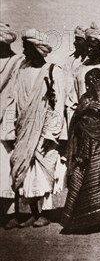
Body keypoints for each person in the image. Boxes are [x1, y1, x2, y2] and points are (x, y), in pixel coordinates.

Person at [9, 29, 66, 228]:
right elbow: (16, 101)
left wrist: (53, 133)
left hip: (45, 128)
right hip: (25, 127)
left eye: (27, 48)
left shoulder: (54, 71)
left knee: (45, 169)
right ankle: (34, 212)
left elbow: (58, 105)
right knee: (24, 169)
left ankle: (47, 212)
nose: (24, 52)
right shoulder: (22, 70)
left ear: (37, 49)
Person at [60, 68, 100, 232]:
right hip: (84, 144)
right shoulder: (84, 98)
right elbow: (76, 117)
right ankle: (77, 219)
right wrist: (85, 108)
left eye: (94, 81)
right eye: (88, 81)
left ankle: (97, 219)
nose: (89, 84)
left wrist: (98, 94)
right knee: (79, 177)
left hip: (99, 144)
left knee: (97, 180)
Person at [0, 23, 25, 229]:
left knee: (7, 167)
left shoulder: (18, 62)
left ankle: (10, 213)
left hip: (8, 121)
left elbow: (17, 93)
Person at [73, 23, 100, 101]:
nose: (89, 49)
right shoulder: (79, 70)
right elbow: (73, 100)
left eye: (92, 46)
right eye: (87, 46)